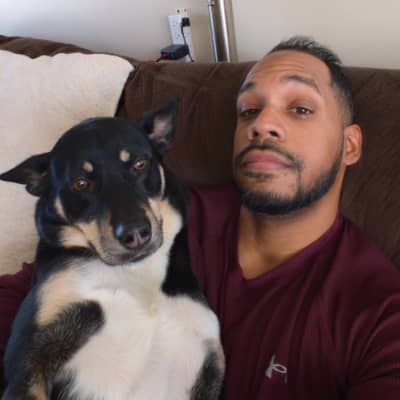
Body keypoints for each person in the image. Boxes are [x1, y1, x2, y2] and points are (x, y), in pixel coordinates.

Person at [1, 37, 400, 399]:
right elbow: (24, 297)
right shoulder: (157, 219)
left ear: (350, 145)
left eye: (300, 108)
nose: (262, 124)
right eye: (249, 110)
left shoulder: (379, 312)